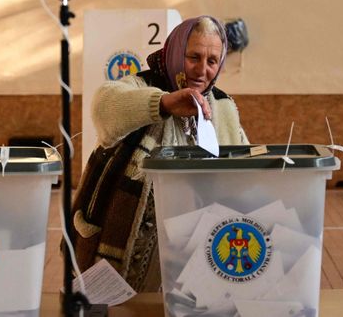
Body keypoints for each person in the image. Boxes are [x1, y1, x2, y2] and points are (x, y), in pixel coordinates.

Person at [70, 15, 249, 292]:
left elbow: (245, 167)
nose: (202, 70)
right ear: (176, 52)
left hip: (198, 252)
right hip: (126, 249)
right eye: (193, 57)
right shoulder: (140, 86)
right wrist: (164, 103)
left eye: (212, 61)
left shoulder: (223, 106)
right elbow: (104, 106)